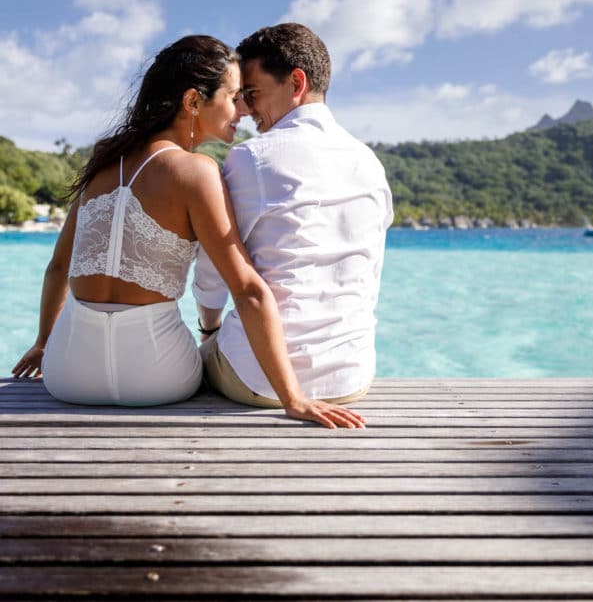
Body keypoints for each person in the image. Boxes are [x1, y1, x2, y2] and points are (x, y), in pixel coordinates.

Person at [10, 35, 365, 431]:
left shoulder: (104, 158)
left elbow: (59, 266)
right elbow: (247, 289)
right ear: (194, 102)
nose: (243, 110)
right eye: (234, 97)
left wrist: (44, 344)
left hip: (67, 372)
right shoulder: (197, 173)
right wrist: (293, 398)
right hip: (155, 377)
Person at [191, 23, 392, 408]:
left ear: (295, 83)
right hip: (353, 375)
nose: (245, 110)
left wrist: (209, 329)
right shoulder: (370, 163)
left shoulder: (251, 158)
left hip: (257, 380)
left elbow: (213, 270)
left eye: (252, 94)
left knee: (183, 361)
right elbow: (370, 274)